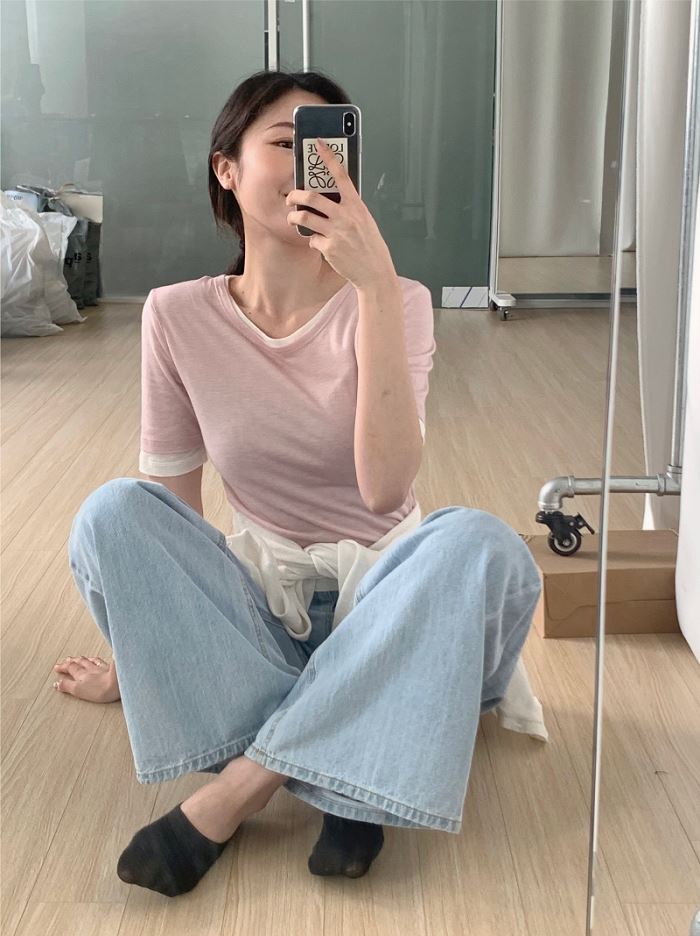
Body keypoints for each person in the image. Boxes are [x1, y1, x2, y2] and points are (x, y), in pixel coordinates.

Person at [53, 69, 542, 899]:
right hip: (266, 610)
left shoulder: (399, 301)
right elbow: (173, 523)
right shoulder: (175, 314)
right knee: (111, 514)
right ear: (227, 170)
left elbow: (385, 491)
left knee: (478, 544)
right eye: (286, 143)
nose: (314, 164)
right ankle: (354, 757)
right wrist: (142, 655)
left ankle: (242, 788)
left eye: (328, 147)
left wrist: (374, 286)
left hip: (393, 605)